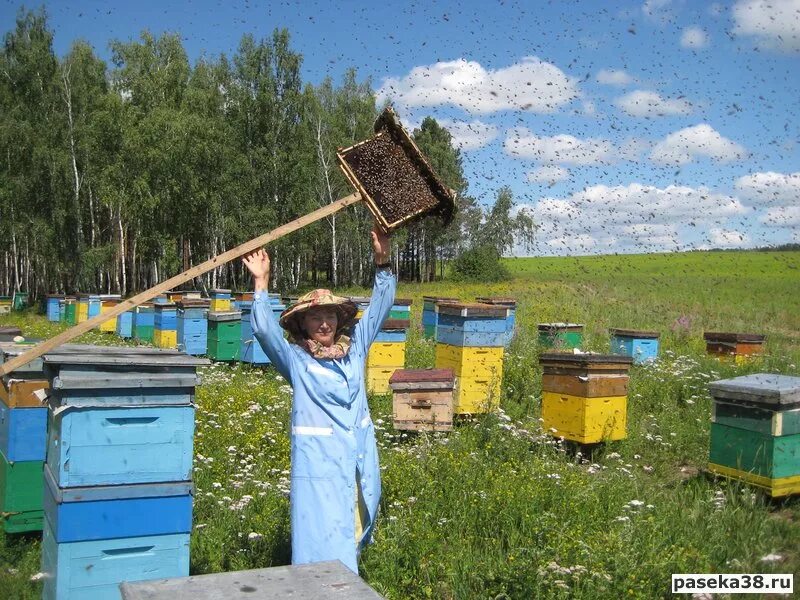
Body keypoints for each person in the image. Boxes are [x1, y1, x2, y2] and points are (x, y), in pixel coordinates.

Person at [242, 223, 395, 574]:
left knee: (356, 524)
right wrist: (261, 285)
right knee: (319, 539)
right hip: (318, 465)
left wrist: (382, 263)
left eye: (329, 316)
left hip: (358, 456)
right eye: (315, 317)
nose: (323, 323)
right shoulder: (296, 360)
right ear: (303, 324)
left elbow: (380, 309)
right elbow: (264, 331)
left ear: (339, 319)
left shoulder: (354, 351)